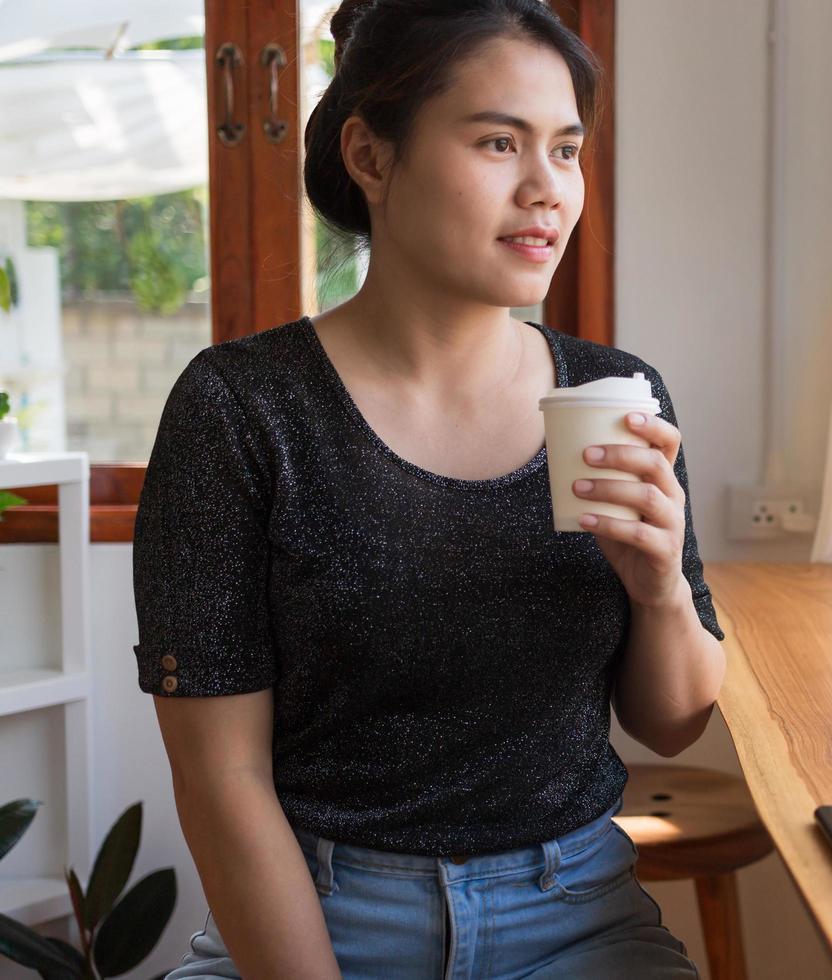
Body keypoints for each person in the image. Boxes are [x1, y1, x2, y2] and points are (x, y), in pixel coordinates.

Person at [133, 1, 724, 976]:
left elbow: (671, 720)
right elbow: (220, 775)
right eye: (500, 142)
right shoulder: (241, 409)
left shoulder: (611, 394)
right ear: (370, 157)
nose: (547, 190)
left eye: (566, 150)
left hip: (574, 915)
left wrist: (659, 586)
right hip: (317, 919)